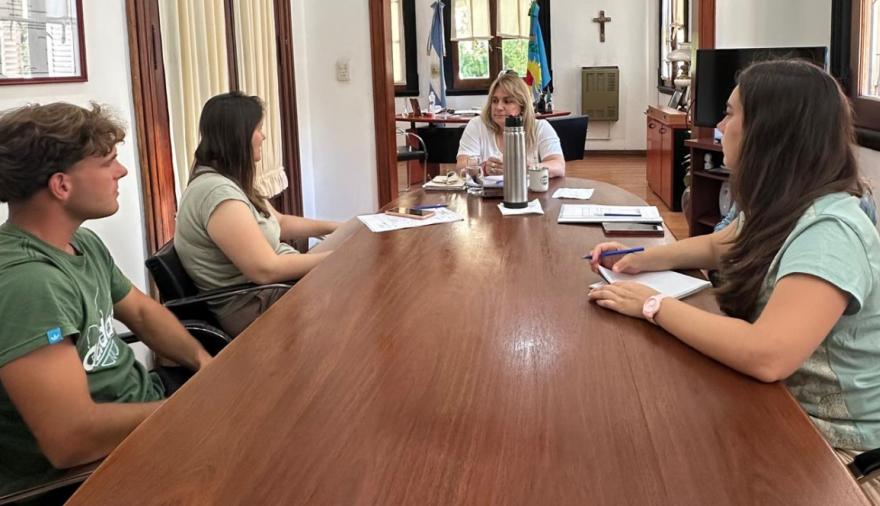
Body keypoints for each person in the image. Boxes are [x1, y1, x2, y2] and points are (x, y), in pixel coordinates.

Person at [588, 60, 880, 502]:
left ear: (769, 130)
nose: (720, 126)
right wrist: (638, 258)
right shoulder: (785, 203)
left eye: (730, 113)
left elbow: (767, 355)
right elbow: (718, 244)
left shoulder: (830, 231)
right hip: (780, 411)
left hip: (841, 455)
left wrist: (653, 305)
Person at [0, 102, 213, 497]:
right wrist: (190, 410)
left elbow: (143, 314)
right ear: (62, 186)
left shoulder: (81, 242)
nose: (122, 171)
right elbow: (71, 439)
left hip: (144, 415)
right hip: (89, 475)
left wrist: (206, 365)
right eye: (108, 162)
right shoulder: (28, 284)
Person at [175, 92, 340, 336]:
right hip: (256, 305)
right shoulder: (217, 194)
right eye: (258, 129)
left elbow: (280, 222)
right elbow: (266, 270)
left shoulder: (230, 181)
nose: (263, 136)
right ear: (238, 136)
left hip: (275, 290)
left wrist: (337, 227)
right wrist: (337, 257)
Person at [456, 70, 566, 178]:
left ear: (522, 106)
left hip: (529, 189)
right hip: (485, 190)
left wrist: (526, 168)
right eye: (494, 101)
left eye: (507, 101)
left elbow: (558, 166)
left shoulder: (540, 127)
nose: (498, 107)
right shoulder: (477, 125)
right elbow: (461, 167)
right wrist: (484, 169)